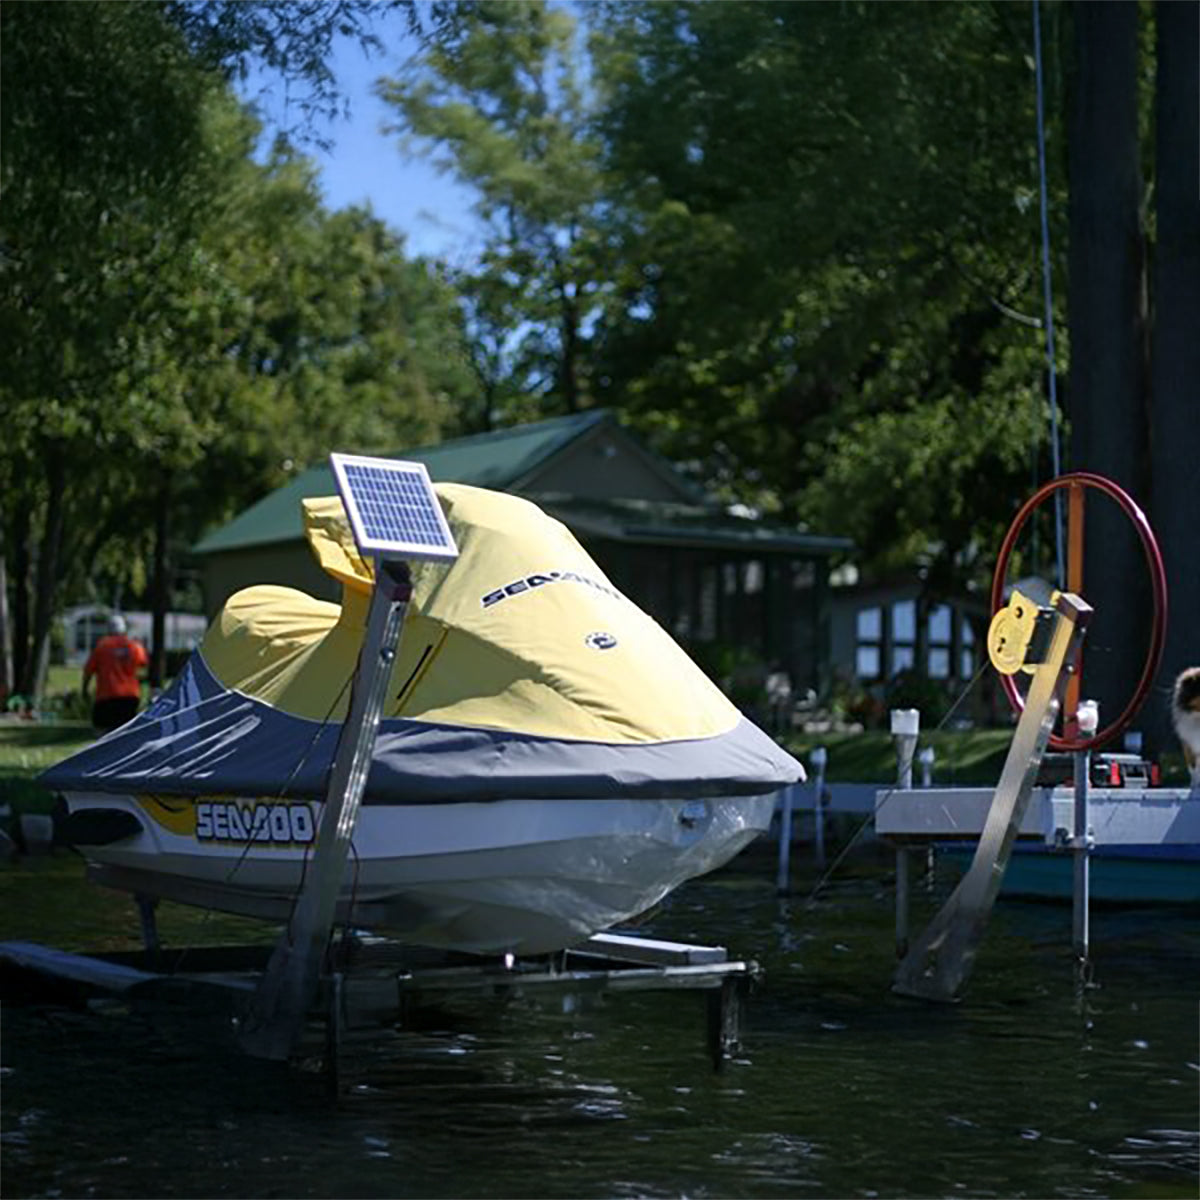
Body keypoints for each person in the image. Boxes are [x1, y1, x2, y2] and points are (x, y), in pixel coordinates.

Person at [81, 614, 148, 732]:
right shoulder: (134, 646)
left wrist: (84, 690)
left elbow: (88, 671)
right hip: (130, 696)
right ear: (124, 629)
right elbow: (143, 666)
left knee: (103, 731)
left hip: (107, 695)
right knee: (126, 732)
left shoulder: (102, 646)